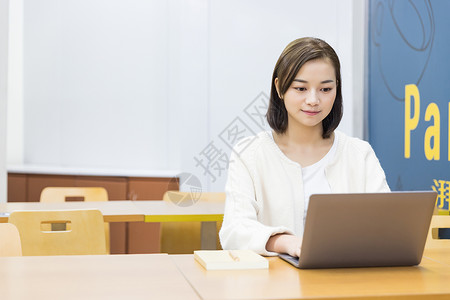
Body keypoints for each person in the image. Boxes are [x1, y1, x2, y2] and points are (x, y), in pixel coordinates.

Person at [219, 37, 390, 257]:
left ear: (337, 89)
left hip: (346, 280)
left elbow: (386, 222)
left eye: (325, 89)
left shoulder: (359, 153)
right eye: (300, 88)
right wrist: (285, 242)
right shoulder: (249, 154)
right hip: (273, 285)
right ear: (279, 88)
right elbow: (234, 230)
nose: (313, 100)